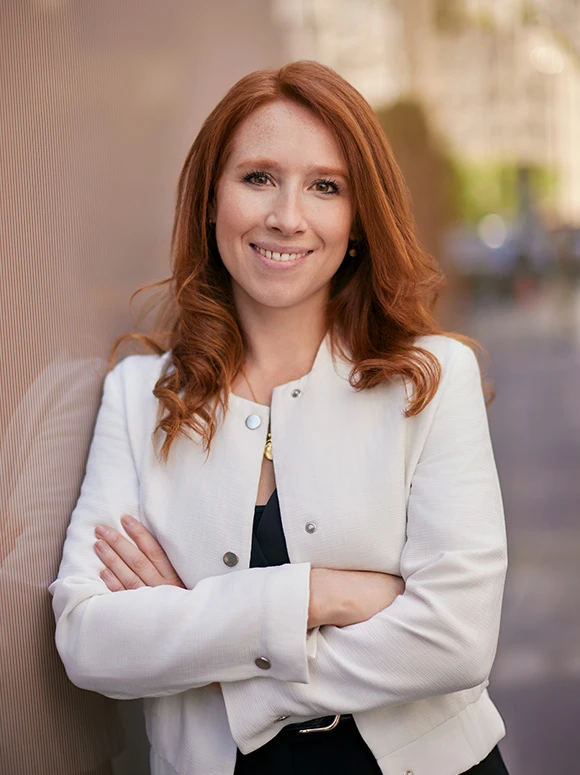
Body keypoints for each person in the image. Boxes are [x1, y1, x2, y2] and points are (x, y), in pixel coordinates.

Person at [50, 61, 509, 775]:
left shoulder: (434, 378)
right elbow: (89, 639)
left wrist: (206, 644)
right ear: (210, 199)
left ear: (357, 221)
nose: (287, 216)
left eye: (325, 186)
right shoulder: (136, 396)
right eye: (258, 177)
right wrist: (323, 595)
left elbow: (457, 640)